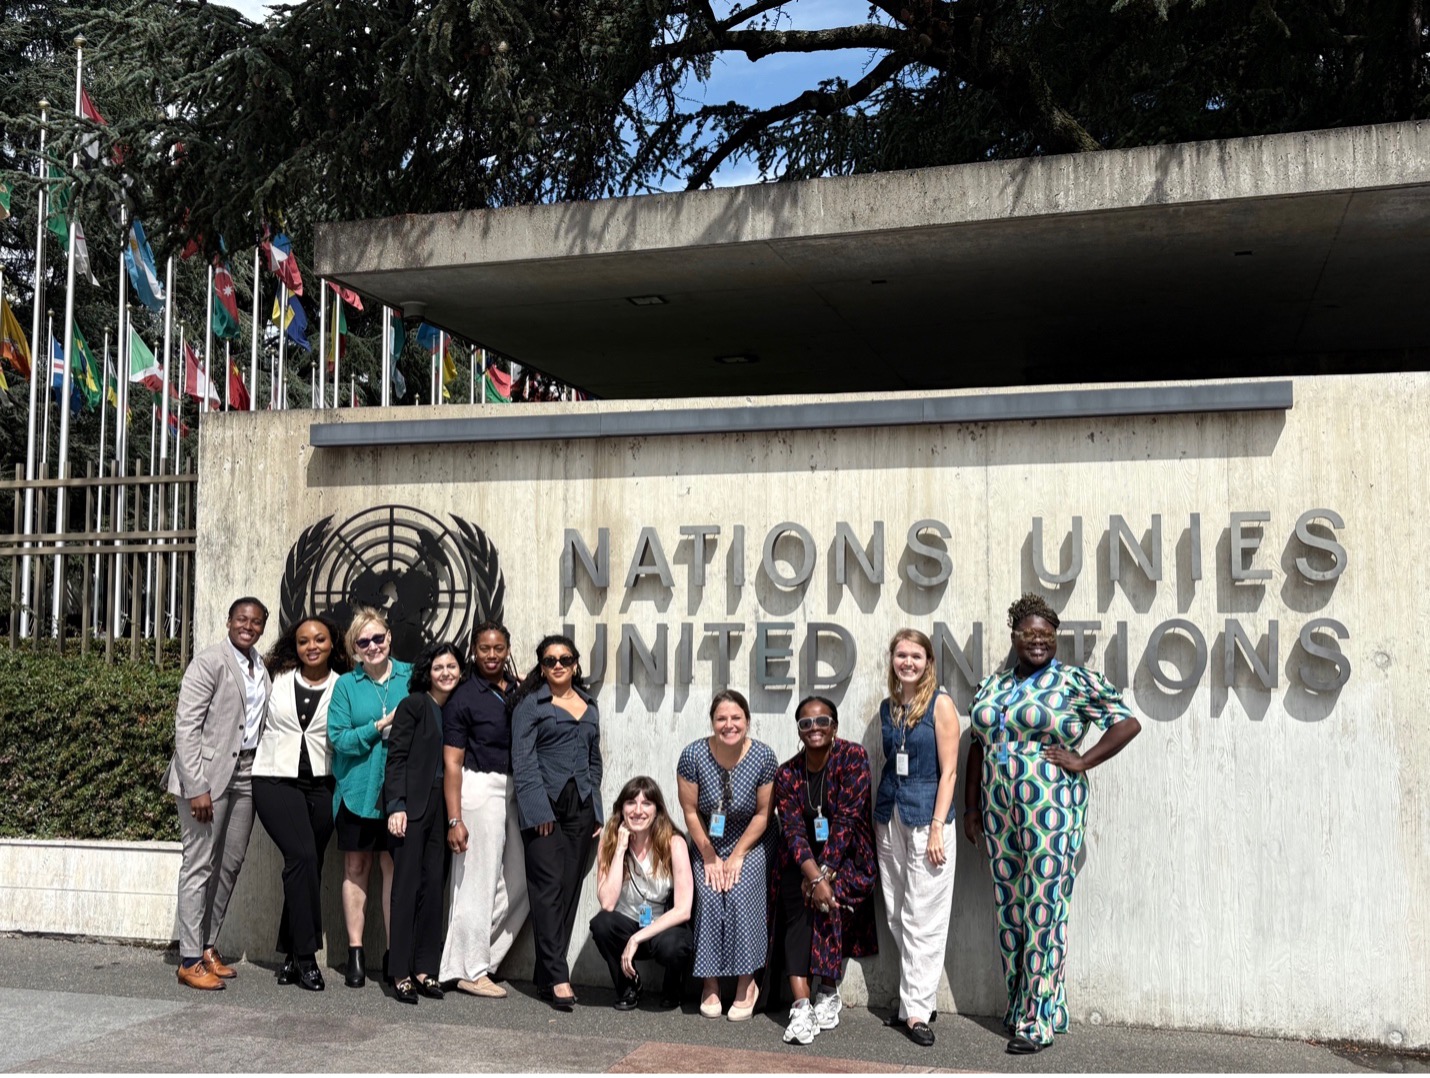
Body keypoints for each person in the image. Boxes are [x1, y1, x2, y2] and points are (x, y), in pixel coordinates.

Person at [965, 593, 1142, 1056]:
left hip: (1051, 806)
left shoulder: (1074, 681)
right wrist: (970, 810)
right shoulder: (993, 684)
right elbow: (978, 747)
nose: (1038, 641)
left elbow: (1126, 724)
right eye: (1029, 634)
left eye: (1046, 635)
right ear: (1015, 637)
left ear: (1055, 638)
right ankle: (1034, 1003)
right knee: (1010, 908)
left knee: (1043, 907)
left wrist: (1082, 759)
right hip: (998, 808)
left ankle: (1037, 1022)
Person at [164, 596, 272, 990]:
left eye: (256, 621)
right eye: (242, 619)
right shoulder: (209, 662)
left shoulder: (259, 666)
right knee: (199, 864)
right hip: (207, 778)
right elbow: (186, 726)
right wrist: (197, 786)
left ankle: (209, 944)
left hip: (246, 773)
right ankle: (189, 959)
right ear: (228, 621)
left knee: (230, 863)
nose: (248, 626)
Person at [768, 696, 878, 1045]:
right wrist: (812, 875)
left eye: (821, 721)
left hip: (849, 858)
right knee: (797, 907)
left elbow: (847, 820)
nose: (814, 729)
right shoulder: (787, 773)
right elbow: (792, 830)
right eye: (805, 724)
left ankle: (828, 989)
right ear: (798, 730)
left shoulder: (853, 757)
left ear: (834, 726)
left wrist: (823, 876)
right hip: (802, 862)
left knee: (829, 898)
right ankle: (801, 1005)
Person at [251, 612, 350, 991]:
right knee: (303, 857)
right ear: (295, 645)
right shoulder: (274, 680)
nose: (312, 646)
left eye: (320, 640)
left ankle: (289, 955)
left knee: (308, 865)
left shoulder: (344, 686)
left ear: (332, 644)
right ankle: (307, 958)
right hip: (275, 779)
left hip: (323, 784)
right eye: (305, 640)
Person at [872, 628, 960, 1047]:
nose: (907, 662)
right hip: (890, 815)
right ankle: (913, 1002)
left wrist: (939, 827)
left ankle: (918, 1011)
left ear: (928, 661)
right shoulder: (890, 707)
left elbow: (950, 772)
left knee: (923, 916)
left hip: (928, 820)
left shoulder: (941, 705)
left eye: (916, 656)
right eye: (901, 655)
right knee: (896, 912)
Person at [510, 633, 603, 1011]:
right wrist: (538, 810)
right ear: (542, 666)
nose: (558, 665)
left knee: (567, 891)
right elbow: (523, 760)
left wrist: (595, 805)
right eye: (550, 660)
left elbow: (595, 758)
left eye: (565, 659)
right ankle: (559, 976)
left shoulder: (590, 704)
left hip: (581, 809)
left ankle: (547, 973)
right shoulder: (531, 705)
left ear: (576, 663)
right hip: (545, 809)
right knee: (546, 891)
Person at [438, 621, 529, 997]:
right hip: (477, 788)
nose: (491, 655)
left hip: (513, 790)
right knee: (476, 882)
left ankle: (478, 958)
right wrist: (454, 818)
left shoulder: (517, 691)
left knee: (521, 882)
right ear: (473, 651)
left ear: (508, 650)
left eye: (498, 648)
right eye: (484, 649)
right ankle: (468, 969)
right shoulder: (463, 697)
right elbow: (452, 764)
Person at [676, 689, 777, 1021]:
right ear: (712, 722)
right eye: (722, 718)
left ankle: (747, 983)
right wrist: (709, 855)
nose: (729, 725)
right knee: (707, 892)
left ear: (747, 721)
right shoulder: (693, 756)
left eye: (736, 718)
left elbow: (763, 815)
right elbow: (690, 813)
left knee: (739, 891)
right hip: (708, 839)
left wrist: (736, 856)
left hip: (752, 838)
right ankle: (710, 983)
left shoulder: (763, 757)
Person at [327, 608, 411, 988]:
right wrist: (379, 726)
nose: (373, 646)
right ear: (355, 649)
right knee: (356, 869)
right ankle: (356, 952)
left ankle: (395, 956)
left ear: (389, 638)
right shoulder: (347, 685)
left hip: (398, 793)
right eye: (364, 642)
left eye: (378, 638)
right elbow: (339, 738)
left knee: (393, 870)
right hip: (358, 791)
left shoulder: (410, 677)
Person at [384, 641, 462, 1004]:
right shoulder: (414, 704)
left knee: (434, 889)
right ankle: (399, 972)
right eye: (438, 667)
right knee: (406, 890)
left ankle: (424, 969)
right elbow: (396, 757)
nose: (445, 673)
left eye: (451, 666)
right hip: (411, 808)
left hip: (439, 809)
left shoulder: (454, 709)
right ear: (427, 673)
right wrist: (396, 805)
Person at [589, 776, 695, 1010]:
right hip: (626, 921)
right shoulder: (609, 840)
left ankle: (672, 986)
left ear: (657, 810)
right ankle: (627, 987)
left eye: (646, 803)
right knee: (601, 924)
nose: (638, 811)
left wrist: (637, 938)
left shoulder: (673, 843)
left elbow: (684, 909)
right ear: (621, 809)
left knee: (676, 945)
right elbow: (607, 902)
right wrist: (620, 849)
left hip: (661, 926)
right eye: (631, 803)